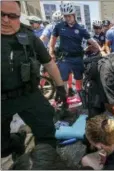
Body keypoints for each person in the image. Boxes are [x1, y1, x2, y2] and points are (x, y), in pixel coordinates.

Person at [1, 1, 66, 159]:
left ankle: (46, 163)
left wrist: (60, 87)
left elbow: (49, 63)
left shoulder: (29, 37)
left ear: (19, 17)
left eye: (12, 16)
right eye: (1, 14)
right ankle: (17, 141)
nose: (5, 20)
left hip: (28, 94)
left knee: (46, 133)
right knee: (2, 148)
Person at [49, 2, 102, 97]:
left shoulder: (80, 28)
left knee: (79, 79)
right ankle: (64, 101)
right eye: (65, 16)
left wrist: (101, 50)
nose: (67, 18)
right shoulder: (59, 26)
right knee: (63, 80)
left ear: (74, 14)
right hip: (64, 58)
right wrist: (51, 52)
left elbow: (91, 40)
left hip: (78, 58)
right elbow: (52, 40)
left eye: (69, 16)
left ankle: (80, 97)